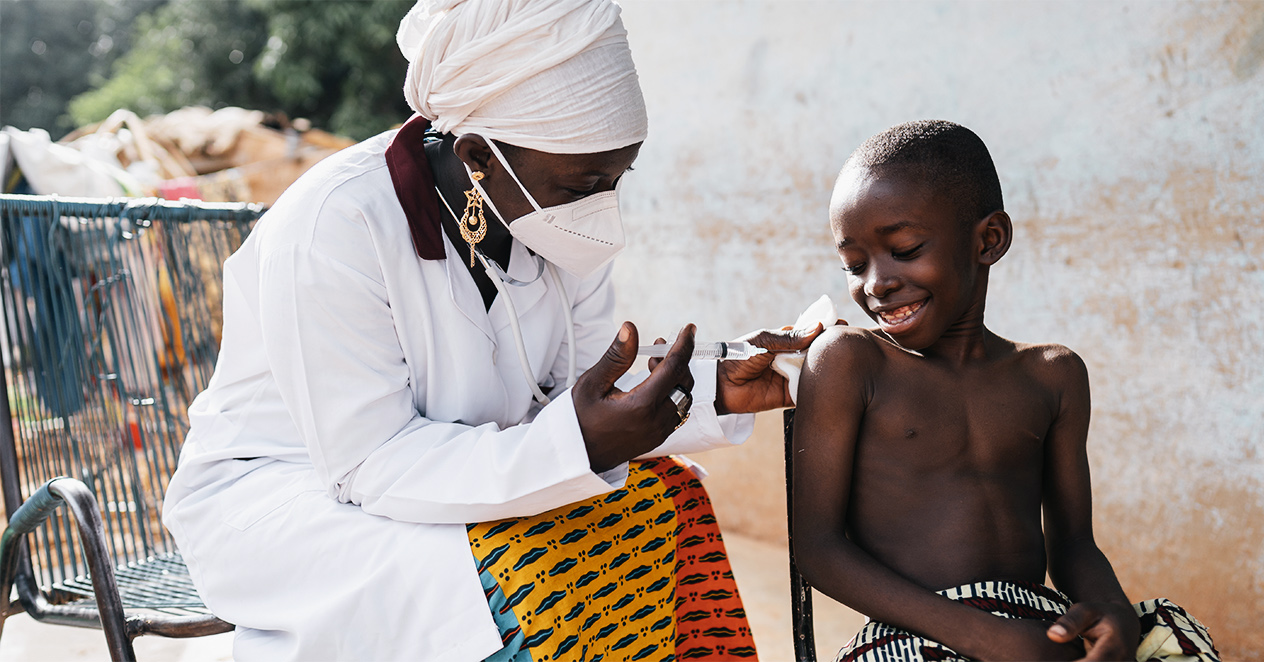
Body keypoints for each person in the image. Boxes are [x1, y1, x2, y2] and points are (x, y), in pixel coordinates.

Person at [162, 1, 819, 660]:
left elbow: (589, 383)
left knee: (672, 498)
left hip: (455, 473)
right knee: (525, 576)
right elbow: (372, 463)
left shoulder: (552, 219)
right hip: (292, 497)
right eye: (582, 184)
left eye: (616, 179)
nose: (600, 208)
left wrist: (712, 387)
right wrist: (578, 445)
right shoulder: (336, 227)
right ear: (477, 157)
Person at [791, 121, 1220, 662]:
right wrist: (982, 638)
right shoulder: (851, 361)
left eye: (905, 249)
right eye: (855, 264)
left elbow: (1073, 545)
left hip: (1037, 626)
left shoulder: (1052, 374)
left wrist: (1109, 613)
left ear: (988, 240)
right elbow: (819, 549)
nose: (875, 282)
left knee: (1174, 637)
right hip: (914, 635)